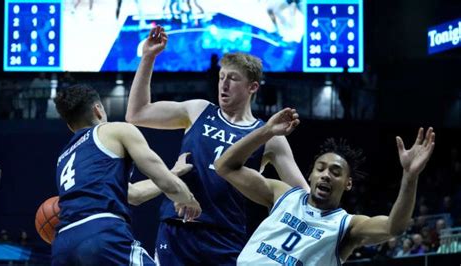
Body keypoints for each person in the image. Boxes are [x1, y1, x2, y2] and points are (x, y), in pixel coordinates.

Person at [126, 25, 309, 265]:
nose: (223, 85)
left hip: (225, 236)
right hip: (178, 228)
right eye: (221, 77)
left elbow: (302, 197)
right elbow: (137, 113)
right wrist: (149, 57)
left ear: (252, 87)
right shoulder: (199, 109)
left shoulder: (269, 135)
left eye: (233, 79)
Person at [215, 108, 435, 265]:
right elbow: (225, 167)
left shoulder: (347, 226)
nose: (326, 175)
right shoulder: (283, 194)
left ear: (348, 183)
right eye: (321, 168)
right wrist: (267, 131)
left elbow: (393, 228)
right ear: (310, 174)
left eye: (335, 172)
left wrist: (410, 176)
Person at [52, 84, 201, 265]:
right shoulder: (115, 130)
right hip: (101, 233)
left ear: (70, 125)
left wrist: (174, 173)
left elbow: (133, 195)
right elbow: (164, 181)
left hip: (62, 245)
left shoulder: (64, 157)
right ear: (98, 109)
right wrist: (187, 198)